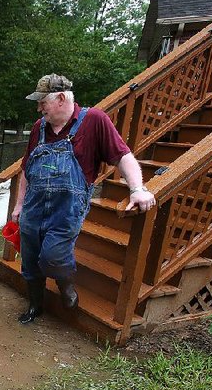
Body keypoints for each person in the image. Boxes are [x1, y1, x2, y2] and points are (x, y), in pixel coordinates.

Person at [11, 73, 156, 323]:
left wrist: (137, 188)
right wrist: (19, 205)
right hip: (33, 207)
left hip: (66, 211)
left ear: (60, 98)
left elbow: (123, 157)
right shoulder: (39, 127)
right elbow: (26, 169)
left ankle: (66, 288)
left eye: (42, 102)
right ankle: (35, 305)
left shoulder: (94, 120)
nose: (38, 108)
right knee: (31, 261)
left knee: (53, 257)